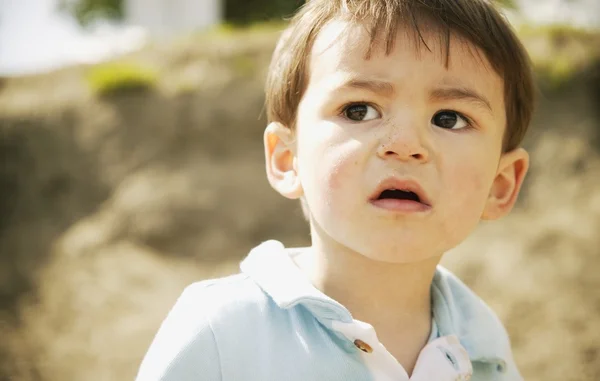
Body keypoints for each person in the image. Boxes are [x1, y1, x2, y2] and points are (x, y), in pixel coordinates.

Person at [135, 0, 535, 380]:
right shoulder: (220, 332)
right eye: (359, 110)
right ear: (287, 159)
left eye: (449, 118)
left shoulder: (485, 346)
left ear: (500, 185)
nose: (406, 143)